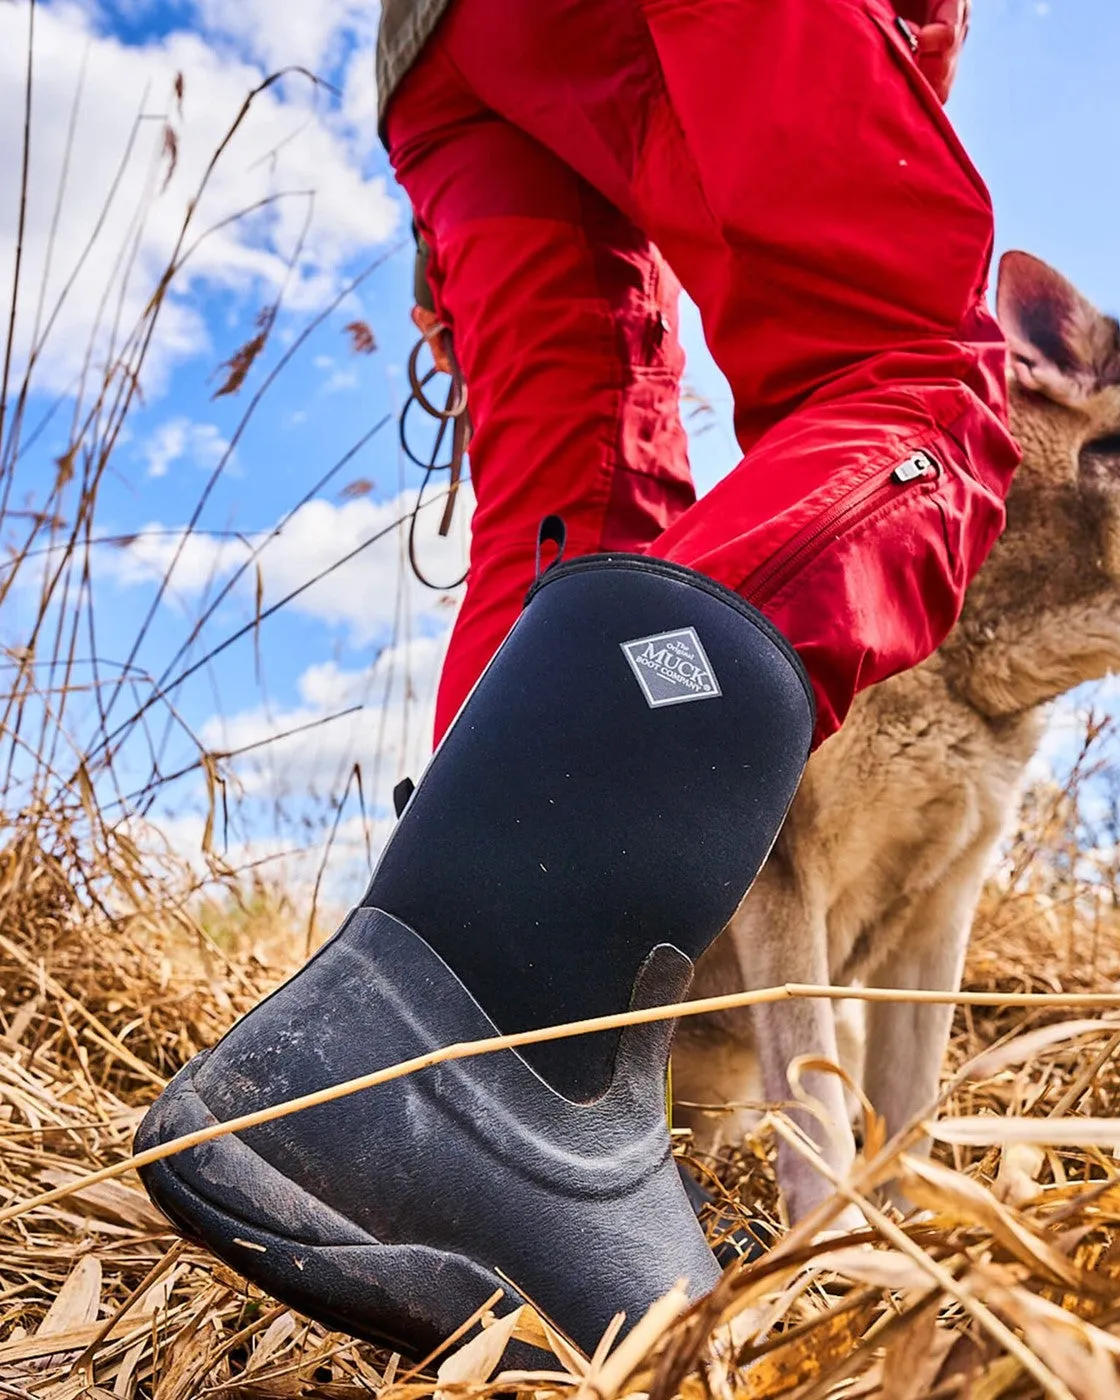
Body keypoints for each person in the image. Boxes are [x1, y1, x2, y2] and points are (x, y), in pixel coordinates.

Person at [135, 0, 1021, 1362]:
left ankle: (433, 1098)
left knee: (573, 508)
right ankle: (505, 1053)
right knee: (909, 375)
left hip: (440, 54)